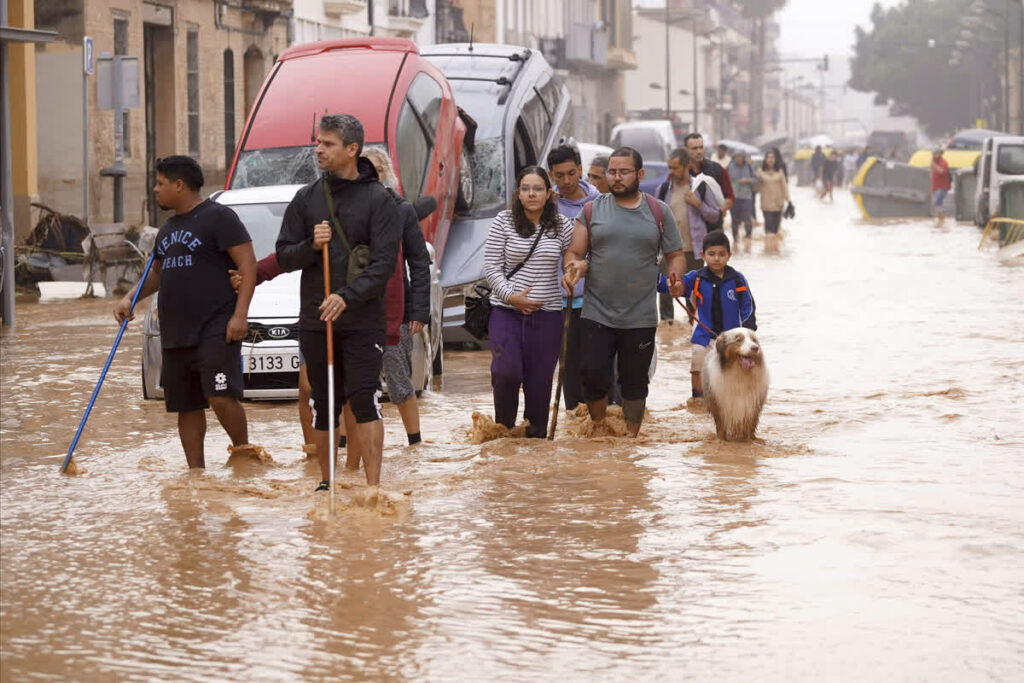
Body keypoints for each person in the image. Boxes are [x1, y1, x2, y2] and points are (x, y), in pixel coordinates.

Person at [276, 113, 402, 492]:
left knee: (364, 397)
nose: (318, 150)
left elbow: (382, 267)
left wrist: (346, 297)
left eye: (327, 144)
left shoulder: (381, 201)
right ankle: (326, 483)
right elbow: (283, 255)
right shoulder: (306, 198)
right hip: (317, 318)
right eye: (318, 142)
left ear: (352, 149)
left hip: (363, 320)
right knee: (323, 400)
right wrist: (311, 246)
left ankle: (373, 488)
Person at [114, 155, 259, 469]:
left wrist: (240, 315)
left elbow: (248, 264)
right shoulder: (168, 228)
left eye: (160, 183)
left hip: (216, 327)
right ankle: (196, 474)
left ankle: (245, 455)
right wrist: (129, 298)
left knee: (220, 396)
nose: (155, 190)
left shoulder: (219, 217)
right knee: (186, 406)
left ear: (179, 185)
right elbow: (157, 271)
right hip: (177, 331)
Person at [562, 147, 687, 437]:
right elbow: (574, 252)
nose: (616, 178)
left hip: (640, 315)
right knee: (592, 376)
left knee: (634, 383)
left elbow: (676, 254)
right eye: (612, 172)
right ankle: (599, 430)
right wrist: (574, 268)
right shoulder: (592, 210)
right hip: (597, 312)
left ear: (639, 174)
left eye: (624, 172)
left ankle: (630, 440)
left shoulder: (658, 211)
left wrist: (676, 279)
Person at [344, 147, 432, 457]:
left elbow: (419, 262)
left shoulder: (401, 210)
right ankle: (346, 446)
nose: (372, 175)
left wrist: (420, 312)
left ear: (387, 175)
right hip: (354, 311)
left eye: (378, 170)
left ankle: (415, 444)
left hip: (397, 311)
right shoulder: (348, 207)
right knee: (351, 384)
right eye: (366, 168)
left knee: (398, 380)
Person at [484, 166, 574, 438]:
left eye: (537, 189)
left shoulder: (562, 225)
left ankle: (535, 443)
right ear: (518, 193)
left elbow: (575, 257)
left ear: (549, 194)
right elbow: (491, 268)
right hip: (506, 311)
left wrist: (571, 273)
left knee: (540, 383)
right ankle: (503, 433)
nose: (531, 194)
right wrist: (512, 297)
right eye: (525, 189)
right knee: (505, 372)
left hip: (547, 316)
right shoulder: (504, 221)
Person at [547, 144, 600, 411]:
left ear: (580, 170)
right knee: (567, 369)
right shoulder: (546, 206)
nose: (566, 181)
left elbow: (604, 249)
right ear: (551, 175)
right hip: (559, 301)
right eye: (559, 176)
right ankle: (575, 426)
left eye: (571, 173)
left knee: (596, 366)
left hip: (595, 300)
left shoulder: (599, 203)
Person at [679, 230, 756, 407]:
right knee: (697, 365)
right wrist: (669, 283)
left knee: (735, 371)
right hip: (703, 336)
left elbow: (748, 306)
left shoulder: (737, 279)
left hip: (732, 339)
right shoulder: (695, 278)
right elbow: (677, 287)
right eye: (711, 254)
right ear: (702, 255)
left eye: (722, 254)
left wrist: (748, 331)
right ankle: (698, 400)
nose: (716, 258)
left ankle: (734, 402)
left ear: (729, 255)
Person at [656, 147, 720, 322]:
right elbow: (654, 218)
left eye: (675, 168)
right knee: (666, 292)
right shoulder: (663, 189)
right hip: (669, 250)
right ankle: (668, 329)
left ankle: (696, 327)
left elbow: (715, 215)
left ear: (686, 167)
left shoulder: (700, 187)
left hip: (694, 250)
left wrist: (698, 204)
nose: (671, 172)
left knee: (694, 293)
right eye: (669, 167)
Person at [684, 133, 733, 230]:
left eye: (701, 147)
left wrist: (718, 211)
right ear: (686, 150)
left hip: (713, 228)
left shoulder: (717, 170)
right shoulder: (680, 173)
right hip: (689, 230)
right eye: (694, 148)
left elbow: (730, 197)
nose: (699, 151)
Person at [758, 149, 790, 253]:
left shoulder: (780, 172)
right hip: (766, 205)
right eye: (768, 157)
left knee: (775, 230)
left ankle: (775, 252)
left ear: (775, 160)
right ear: (765, 159)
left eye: (772, 158)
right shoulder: (760, 172)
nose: (770, 160)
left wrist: (789, 201)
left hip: (778, 204)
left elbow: (784, 187)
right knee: (769, 230)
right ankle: (768, 251)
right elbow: (755, 187)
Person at [727, 150, 756, 242]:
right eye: (736, 157)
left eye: (739, 156)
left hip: (746, 197)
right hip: (734, 197)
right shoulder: (730, 167)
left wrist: (748, 180)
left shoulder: (749, 167)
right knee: (734, 221)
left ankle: (748, 240)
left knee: (747, 219)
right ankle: (735, 240)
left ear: (743, 157)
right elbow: (724, 180)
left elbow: (757, 179)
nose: (738, 158)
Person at [931, 147, 951, 226]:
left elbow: (942, 171)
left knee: (937, 202)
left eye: (936, 154)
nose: (934, 155)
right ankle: (941, 218)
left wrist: (934, 166)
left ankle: (941, 218)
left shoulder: (943, 163)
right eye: (933, 154)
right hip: (936, 186)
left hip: (942, 187)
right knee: (938, 203)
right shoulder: (934, 163)